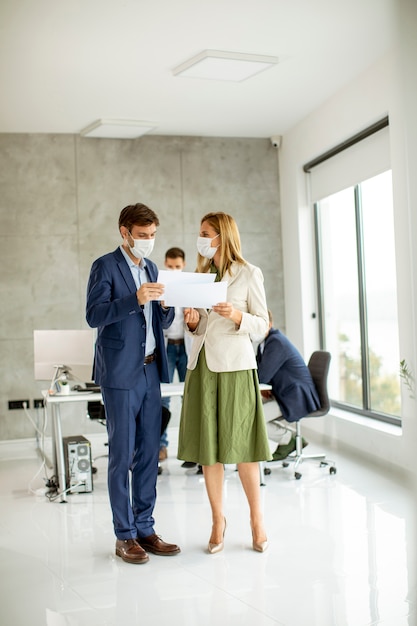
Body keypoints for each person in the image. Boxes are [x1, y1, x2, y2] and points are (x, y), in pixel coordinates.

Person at [86, 202, 181, 564]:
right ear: (124, 232)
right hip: (121, 373)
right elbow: (94, 315)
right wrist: (133, 300)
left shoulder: (154, 268)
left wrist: (167, 305)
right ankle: (124, 535)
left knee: (148, 455)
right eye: (143, 236)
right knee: (122, 455)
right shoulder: (105, 266)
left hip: (151, 372)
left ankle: (145, 527)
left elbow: (159, 317)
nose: (148, 242)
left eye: (153, 235)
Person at [178, 212, 271, 553]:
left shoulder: (249, 273)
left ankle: (257, 520)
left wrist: (236, 315)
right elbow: (201, 327)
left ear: (222, 236)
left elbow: (263, 324)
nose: (200, 238)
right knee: (209, 450)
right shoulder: (200, 276)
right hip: (203, 366)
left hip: (235, 368)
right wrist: (192, 323)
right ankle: (218, 520)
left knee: (243, 447)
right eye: (200, 232)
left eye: (205, 233)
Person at [256, 310, 320, 460]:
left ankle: (288, 440)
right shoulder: (264, 343)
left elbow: (261, 375)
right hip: (282, 393)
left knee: (254, 418)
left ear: (269, 324)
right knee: (248, 410)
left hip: (295, 396)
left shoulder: (276, 342)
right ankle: (289, 437)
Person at [159, 247, 189, 462]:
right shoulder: (158, 286)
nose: (174, 270)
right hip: (168, 347)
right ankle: (161, 446)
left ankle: (191, 448)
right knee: (163, 399)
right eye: (170, 267)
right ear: (164, 264)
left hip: (187, 348)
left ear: (184, 266)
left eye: (177, 267)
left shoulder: (191, 286)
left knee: (191, 399)